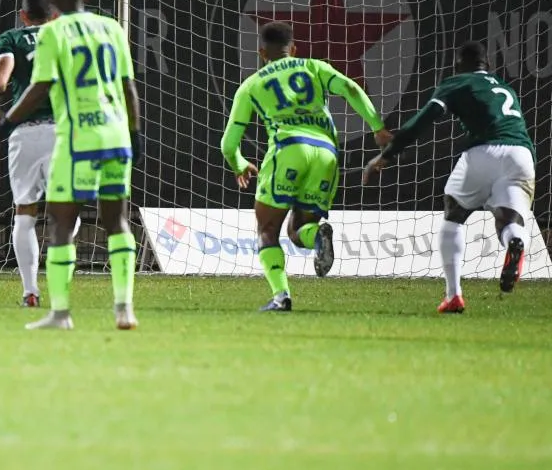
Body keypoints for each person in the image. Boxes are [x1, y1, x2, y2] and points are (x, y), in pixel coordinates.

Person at [0, 0, 143, 330]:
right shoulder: (112, 28)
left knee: (59, 222)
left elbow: (38, 87)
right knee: (117, 221)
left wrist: (3, 124)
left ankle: (58, 312)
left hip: (75, 138)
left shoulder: (54, 33)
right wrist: (135, 134)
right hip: (116, 134)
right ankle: (124, 308)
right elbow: (128, 88)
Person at [220, 21, 392, 311]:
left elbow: (228, 144)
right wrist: (377, 127)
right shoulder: (314, 67)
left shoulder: (251, 86)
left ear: (262, 53)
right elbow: (351, 87)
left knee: (267, 230)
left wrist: (238, 163)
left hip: (288, 149)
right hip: (326, 153)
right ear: (294, 49)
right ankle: (317, 236)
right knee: (300, 228)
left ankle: (281, 296)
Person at [364, 40, 536, 313]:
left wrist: (388, 154)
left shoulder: (457, 82)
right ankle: (516, 242)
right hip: (522, 155)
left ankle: (453, 295)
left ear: (458, 63)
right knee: (509, 218)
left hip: (483, 151)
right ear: (487, 65)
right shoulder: (506, 87)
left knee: (454, 215)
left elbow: (424, 118)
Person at [0, 0, 80, 307]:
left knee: (25, 213)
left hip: (24, 133)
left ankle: (30, 291)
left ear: (23, 16)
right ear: (54, 14)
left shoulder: (12, 38)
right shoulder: (67, 35)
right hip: (64, 132)